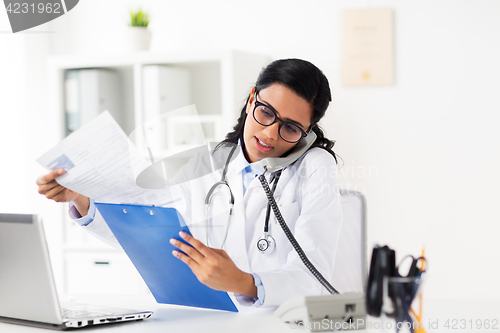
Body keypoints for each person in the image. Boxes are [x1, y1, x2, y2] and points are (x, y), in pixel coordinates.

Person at [36, 59, 343, 308]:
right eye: (266, 113)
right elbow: (147, 228)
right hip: (201, 317)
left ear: (308, 133)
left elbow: (314, 278)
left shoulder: (315, 167)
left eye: (290, 127)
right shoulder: (205, 162)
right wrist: (82, 198)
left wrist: (243, 282)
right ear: (252, 100)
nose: (270, 134)